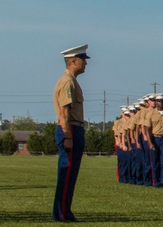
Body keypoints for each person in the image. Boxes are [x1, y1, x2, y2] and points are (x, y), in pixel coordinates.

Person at [53, 44, 89, 222]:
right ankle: (61, 214)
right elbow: (64, 112)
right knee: (66, 175)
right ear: (73, 61)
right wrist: (67, 135)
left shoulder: (72, 81)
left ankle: (65, 212)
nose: (86, 63)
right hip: (70, 129)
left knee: (71, 176)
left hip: (74, 129)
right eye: (83, 60)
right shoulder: (67, 81)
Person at [142, 94, 163, 188]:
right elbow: (148, 129)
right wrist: (150, 142)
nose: (160, 103)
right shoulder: (150, 114)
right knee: (155, 161)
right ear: (156, 102)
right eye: (158, 101)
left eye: (162, 101)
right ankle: (156, 181)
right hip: (154, 137)